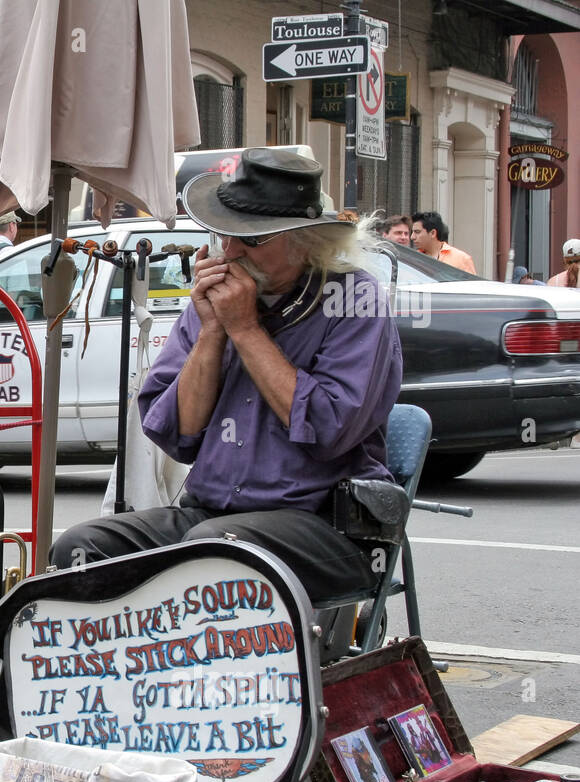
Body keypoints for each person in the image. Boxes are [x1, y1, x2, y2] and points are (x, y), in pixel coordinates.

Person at [51, 148, 403, 603]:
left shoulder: (354, 298)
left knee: (212, 552)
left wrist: (245, 328)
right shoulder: (219, 298)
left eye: (251, 240)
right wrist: (214, 331)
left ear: (305, 241)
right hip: (210, 514)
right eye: (224, 235)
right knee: (81, 549)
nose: (231, 251)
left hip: (324, 525)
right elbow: (177, 433)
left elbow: (329, 428)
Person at [411, 211, 475, 274]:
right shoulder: (413, 258)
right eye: (412, 232)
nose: (412, 237)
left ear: (433, 233)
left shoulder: (461, 259)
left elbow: (472, 284)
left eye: (417, 232)